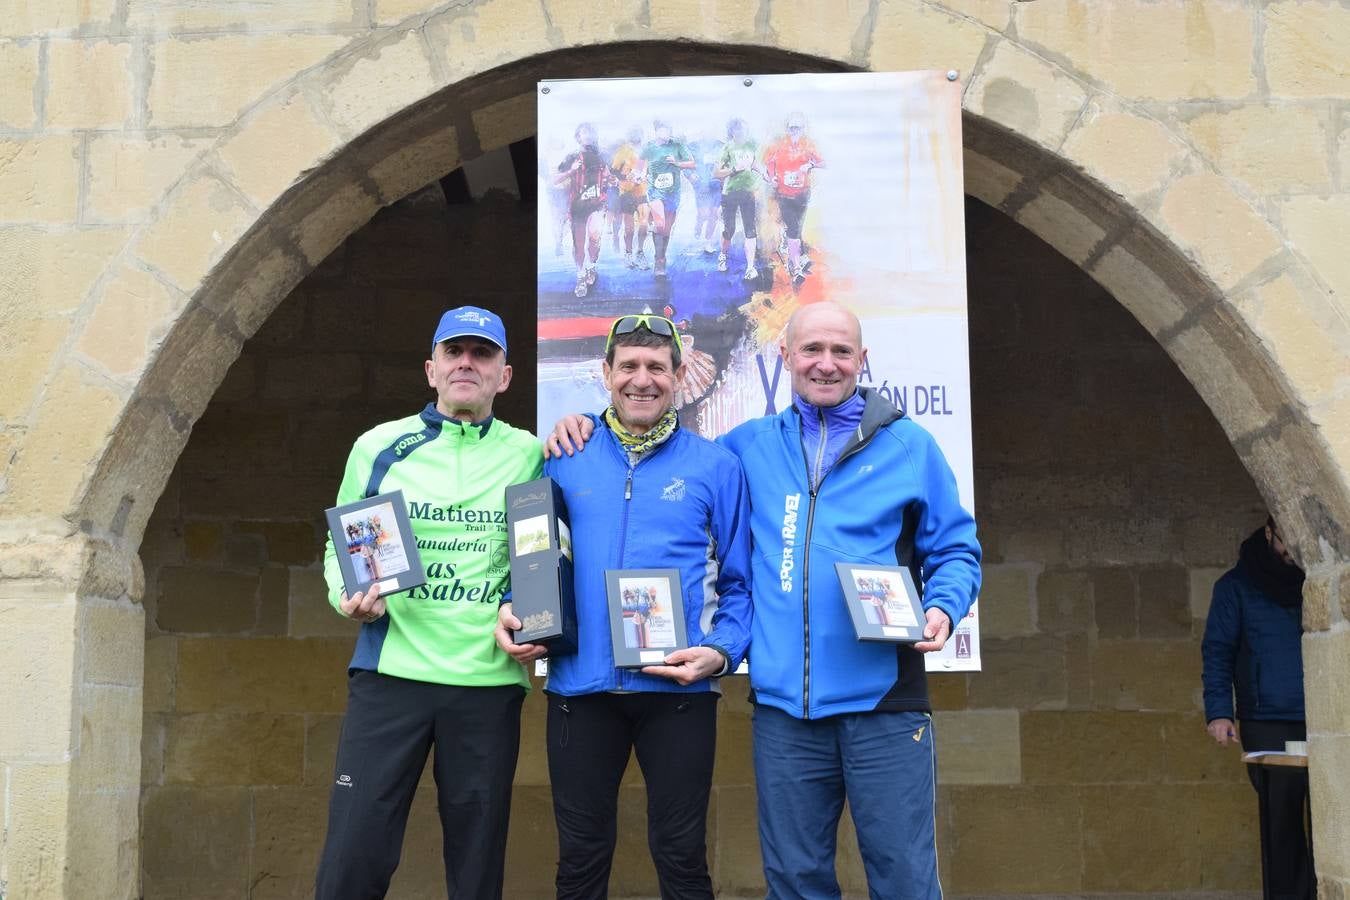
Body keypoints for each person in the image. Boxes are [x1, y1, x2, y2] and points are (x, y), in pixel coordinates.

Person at [545, 301, 981, 898]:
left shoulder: (910, 446)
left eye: (841, 352)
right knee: (796, 882)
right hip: (784, 711)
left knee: (903, 878)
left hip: (883, 701)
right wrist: (582, 427)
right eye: (811, 350)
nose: (825, 365)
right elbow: (654, 450)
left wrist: (943, 606)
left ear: (862, 360)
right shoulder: (745, 447)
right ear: (786, 357)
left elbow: (956, 550)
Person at [499, 313, 752, 900]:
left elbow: (740, 585)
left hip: (680, 696)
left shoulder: (716, 467)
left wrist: (720, 652)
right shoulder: (564, 452)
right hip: (579, 693)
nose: (643, 380)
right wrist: (516, 606)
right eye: (630, 366)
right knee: (580, 863)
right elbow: (534, 556)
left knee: (683, 860)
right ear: (605, 373)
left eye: (657, 368)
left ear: (679, 376)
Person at [315, 306, 542, 900]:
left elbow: (539, 552)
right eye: (454, 352)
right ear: (431, 369)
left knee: (476, 863)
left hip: (486, 683)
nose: (467, 363)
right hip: (393, 675)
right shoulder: (380, 446)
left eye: (482, 353)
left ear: (505, 375)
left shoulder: (528, 454)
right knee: (353, 852)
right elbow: (341, 549)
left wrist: (527, 608)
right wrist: (349, 598)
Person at [1202, 517, 1313, 899]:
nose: (1290, 551)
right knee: (1280, 827)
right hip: (1268, 722)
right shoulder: (1235, 587)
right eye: (1285, 541)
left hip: (1322, 718)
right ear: (1269, 533)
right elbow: (1217, 651)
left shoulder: (1314, 577)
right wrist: (1219, 712)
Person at [763, 112, 824, 286]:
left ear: (802, 128)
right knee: (793, 229)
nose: (794, 130)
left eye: (797, 127)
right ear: (787, 128)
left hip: (803, 193)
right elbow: (768, 164)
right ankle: (796, 269)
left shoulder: (808, 146)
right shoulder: (779, 146)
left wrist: (810, 164)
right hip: (784, 194)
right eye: (791, 127)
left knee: (798, 228)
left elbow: (825, 162)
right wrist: (772, 177)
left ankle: (796, 257)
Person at [556, 122, 610, 298]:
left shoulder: (602, 155)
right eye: (583, 133)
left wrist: (613, 180)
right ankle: (580, 276)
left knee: (594, 236)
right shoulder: (572, 157)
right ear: (578, 137)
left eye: (589, 133)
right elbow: (555, 179)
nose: (587, 136)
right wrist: (571, 171)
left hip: (597, 204)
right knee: (578, 244)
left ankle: (591, 267)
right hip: (578, 207)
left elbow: (609, 174)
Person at [641, 120, 695, 279]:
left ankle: (661, 255)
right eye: (662, 131)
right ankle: (659, 261)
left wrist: (676, 162)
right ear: (656, 131)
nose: (665, 134)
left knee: (666, 229)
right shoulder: (649, 147)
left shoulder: (677, 146)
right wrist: (639, 175)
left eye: (667, 130)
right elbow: (640, 167)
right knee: (660, 224)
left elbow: (691, 164)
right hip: (655, 191)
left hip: (673, 192)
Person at [715, 117, 767, 282]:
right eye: (739, 130)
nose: (743, 133)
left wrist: (764, 174)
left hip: (748, 192)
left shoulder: (751, 145)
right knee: (729, 229)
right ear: (733, 132)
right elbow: (716, 173)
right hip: (730, 193)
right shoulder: (727, 148)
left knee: (750, 230)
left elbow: (754, 164)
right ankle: (723, 255)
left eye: (745, 129)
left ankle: (750, 268)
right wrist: (734, 169)